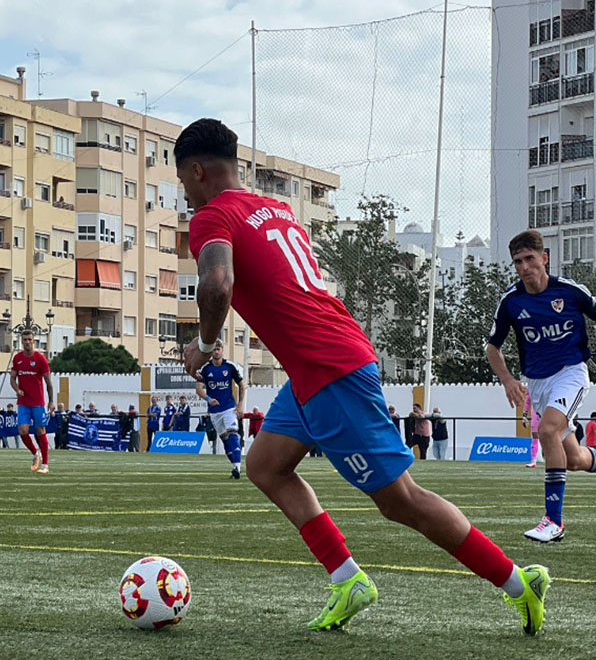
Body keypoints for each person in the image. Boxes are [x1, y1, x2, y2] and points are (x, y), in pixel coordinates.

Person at [176, 118, 547, 635]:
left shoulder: (213, 216)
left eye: (183, 184)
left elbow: (217, 285)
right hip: (316, 367)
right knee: (265, 466)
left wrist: (206, 345)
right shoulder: (277, 209)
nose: (186, 196)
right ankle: (348, 579)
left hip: (330, 369)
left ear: (196, 171)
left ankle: (516, 581)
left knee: (401, 501)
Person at [486, 229, 596, 544]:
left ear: (544, 258)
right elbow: (492, 347)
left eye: (530, 259)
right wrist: (507, 379)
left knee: (546, 431)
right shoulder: (511, 302)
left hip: (571, 374)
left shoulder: (569, 291)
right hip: (538, 383)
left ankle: (553, 522)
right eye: (518, 261)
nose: (524, 267)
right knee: (574, 460)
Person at [196, 344, 246, 479]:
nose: (216, 352)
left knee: (233, 433)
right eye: (214, 349)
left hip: (229, 407)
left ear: (222, 350)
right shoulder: (205, 369)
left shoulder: (230, 366)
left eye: (218, 349)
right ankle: (235, 466)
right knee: (224, 439)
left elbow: (241, 385)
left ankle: (238, 468)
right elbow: (199, 388)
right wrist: (208, 398)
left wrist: (240, 403)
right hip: (214, 411)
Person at [9, 330, 55, 474]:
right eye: (25, 340)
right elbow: (12, 379)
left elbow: (48, 383)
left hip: (37, 402)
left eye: (29, 339)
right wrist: (17, 389)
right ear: (21, 341)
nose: (27, 342)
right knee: (22, 430)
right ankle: (36, 453)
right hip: (23, 401)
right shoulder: (17, 359)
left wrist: (51, 401)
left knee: (41, 430)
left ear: (34, 341)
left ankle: (45, 465)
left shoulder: (40, 359)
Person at [522, 392, 542, 468]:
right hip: (536, 413)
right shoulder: (531, 387)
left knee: (550, 434)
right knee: (535, 435)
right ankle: (533, 461)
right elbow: (527, 401)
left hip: (547, 411)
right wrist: (525, 415)